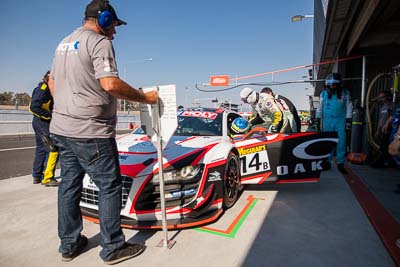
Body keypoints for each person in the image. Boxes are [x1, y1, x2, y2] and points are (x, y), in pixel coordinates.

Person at [48, 0, 158, 264]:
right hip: (91, 131)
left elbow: (51, 80)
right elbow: (109, 83)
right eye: (114, 26)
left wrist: (67, 106)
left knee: (68, 186)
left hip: (63, 129)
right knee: (110, 186)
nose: (115, 33)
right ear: (105, 20)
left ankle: (70, 244)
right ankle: (113, 247)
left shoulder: (64, 43)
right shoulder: (99, 43)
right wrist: (143, 98)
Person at [315, 72, 353, 174]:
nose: (332, 86)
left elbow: (349, 106)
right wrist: (317, 119)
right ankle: (327, 162)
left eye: (334, 84)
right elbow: (319, 107)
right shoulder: (323, 93)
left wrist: (348, 120)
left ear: (339, 84)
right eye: (330, 84)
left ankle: (340, 163)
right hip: (327, 121)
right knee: (328, 142)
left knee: (341, 142)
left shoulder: (345, 93)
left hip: (340, 121)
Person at [29, 70, 59, 186]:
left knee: (41, 149)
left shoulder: (48, 89)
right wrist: (50, 116)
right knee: (53, 148)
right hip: (42, 122)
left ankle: (37, 176)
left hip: (41, 122)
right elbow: (33, 107)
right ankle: (48, 178)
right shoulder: (43, 89)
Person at [371, 90, 394, 167]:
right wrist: (377, 130)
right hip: (382, 130)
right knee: (382, 146)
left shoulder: (391, 105)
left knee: (386, 146)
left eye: (382, 97)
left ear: (387, 97)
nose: (381, 99)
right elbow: (381, 119)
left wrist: (387, 125)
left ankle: (384, 162)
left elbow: (392, 116)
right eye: (380, 97)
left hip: (389, 129)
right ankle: (383, 161)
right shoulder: (383, 107)